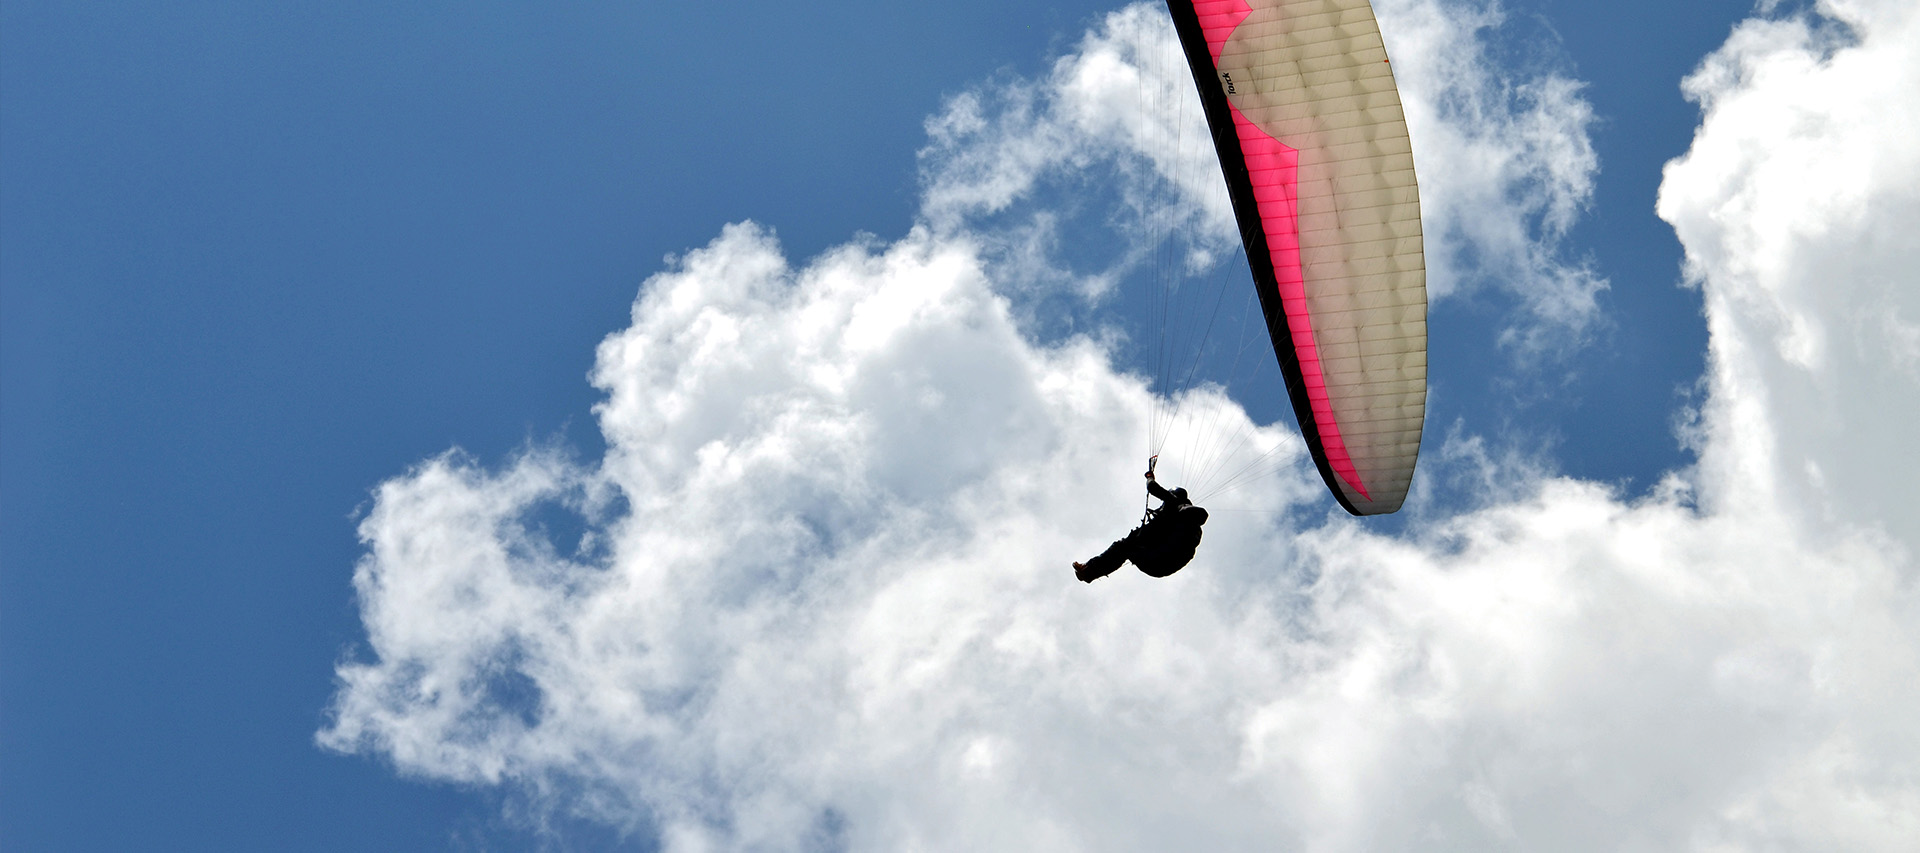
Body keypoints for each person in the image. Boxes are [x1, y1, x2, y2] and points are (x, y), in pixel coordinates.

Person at [1074, 465, 1209, 582]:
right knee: (1128, 546)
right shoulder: (1183, 526)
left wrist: (1149, 476)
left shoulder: (1175, 505)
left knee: (1122, 547)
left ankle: (1089, 571)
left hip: (1158, 559)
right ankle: (1089, 571)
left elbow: (1152, 487)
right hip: (1162, 564)